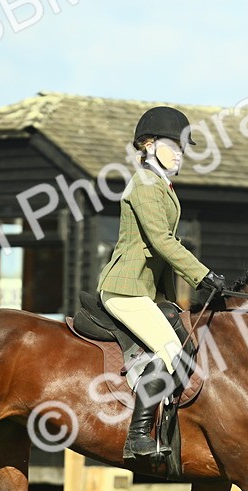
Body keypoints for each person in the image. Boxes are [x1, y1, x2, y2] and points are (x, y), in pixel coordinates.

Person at [97, 106, 228, 460]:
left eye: (182, 148)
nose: (180, 154)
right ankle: (137, 437)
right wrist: (202, 275)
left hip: (144, 290)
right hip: (125, 288)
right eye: (174, 146)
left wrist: (172, 296)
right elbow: (161, 241)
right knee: (169, 350)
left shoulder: (161, 186)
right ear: (149, 145)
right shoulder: (144, 184)